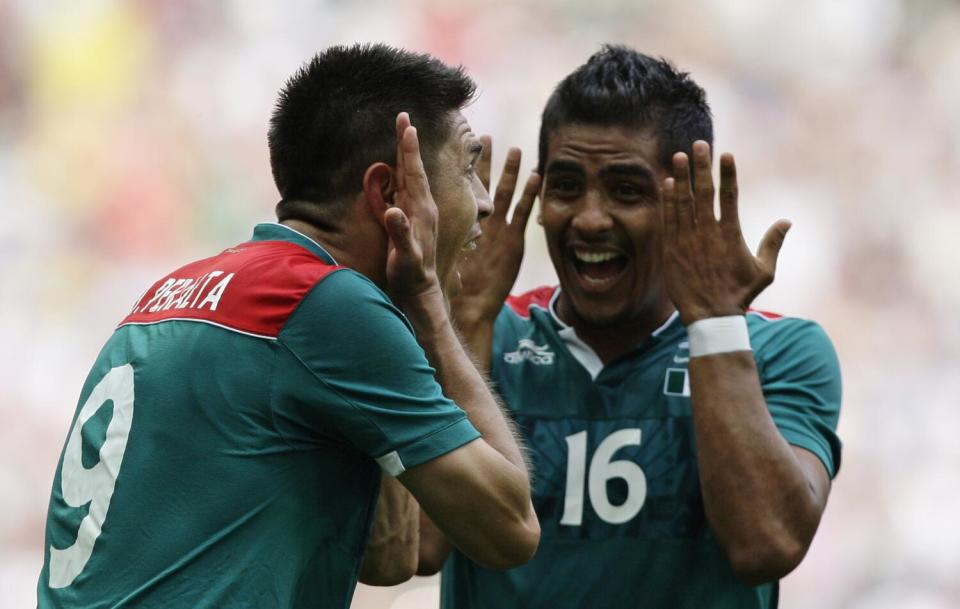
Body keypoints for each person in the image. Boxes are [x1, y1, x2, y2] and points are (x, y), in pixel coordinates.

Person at [36, 43, 539, 609]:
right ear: (389, 192)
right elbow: (510, 529)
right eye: (468, 168)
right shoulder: (324, 304)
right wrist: (434, 310)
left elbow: (396, 554)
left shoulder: (174, 290)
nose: (483, 202)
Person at [420, 45, 842, 609]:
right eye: (567, 186)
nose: (591, 219)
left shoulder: (781, 350)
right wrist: (466, 320)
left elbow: (766, 545)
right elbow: (418, 547)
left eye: (626, 190)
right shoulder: (483, 338)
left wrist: (714, 325)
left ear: (688, 200)